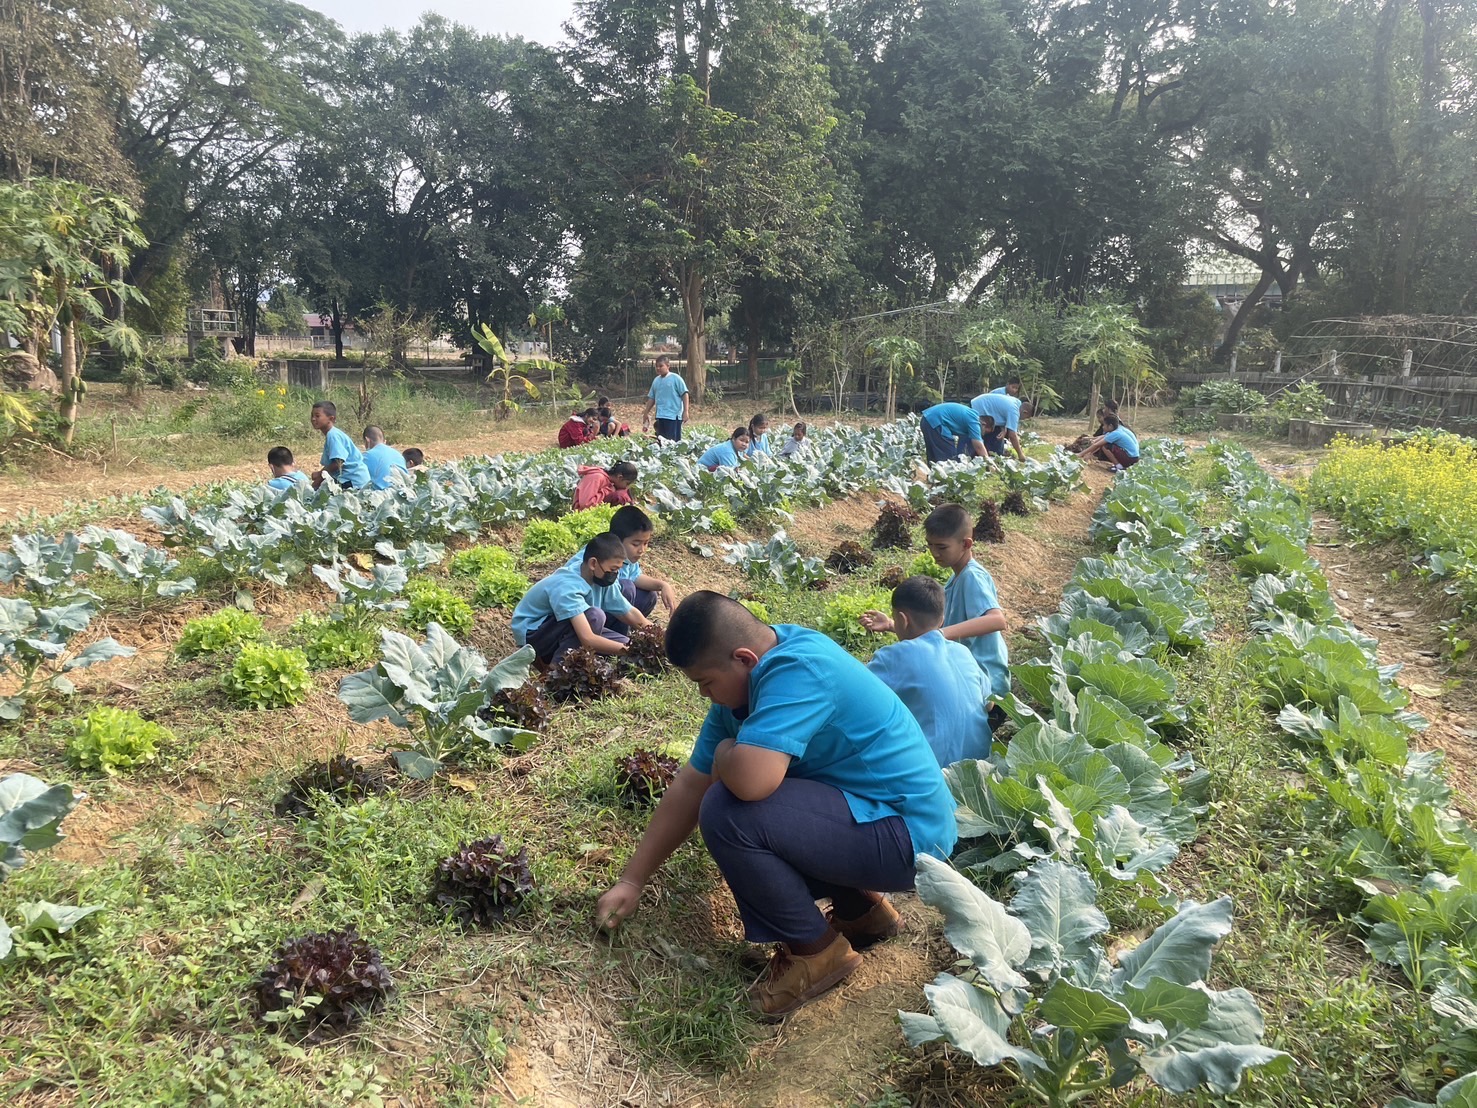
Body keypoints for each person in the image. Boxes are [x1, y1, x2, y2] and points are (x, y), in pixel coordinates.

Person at [594, 592, 957, 1019]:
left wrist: (726, 753)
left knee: (729, 810)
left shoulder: (797, 671)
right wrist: (632, 880)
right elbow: (691, 782)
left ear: (744, 659)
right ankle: (862, 912)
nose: (705, 695)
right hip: (883, 821)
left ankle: (815, 953)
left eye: (705, 682)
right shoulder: (747, 684)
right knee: (765, 792)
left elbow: (749, 783)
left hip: (911, 840)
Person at [861, 503, 1009, 709]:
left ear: (966, 544)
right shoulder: (956, 578)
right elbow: (931, 631)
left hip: (988, 687)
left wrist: (940, 635)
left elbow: (997, 620)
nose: (934, 553)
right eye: (929, 545)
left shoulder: (972, 577)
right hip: (969, 680)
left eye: (941, 547)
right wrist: (892, 625)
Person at [863, 576, 992, 766]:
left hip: (931, 772)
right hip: (980, 769)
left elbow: (855, 699)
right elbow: (989, 705)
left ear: (902, 619)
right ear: (942, 620)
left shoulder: (891, 658)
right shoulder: (963, 652)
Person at [511, 532, 652, 665]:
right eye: (613, 569)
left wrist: (657, 637)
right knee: (595, 616)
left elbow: (628, 613)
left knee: (625, 642)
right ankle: (557, 669)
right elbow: (588, 639)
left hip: (566, 626)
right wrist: (630, 651)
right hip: (534, 636)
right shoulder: (568, 586)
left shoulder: (600, 578)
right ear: (593, 563)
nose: (615, 575)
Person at [562, 504, 678, 617]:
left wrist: (663, 585)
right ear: (618, 540)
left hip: (609, 607)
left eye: (646, 543)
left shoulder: (626, 557)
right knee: (627, 587)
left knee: (649, 595)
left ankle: (630, 627)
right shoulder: (599, 556)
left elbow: (635, 576)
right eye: (635, 544)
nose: (641, 550)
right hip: (585, 612)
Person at [309, 400, 372, 490]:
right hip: (352, 479)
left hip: (353, 481)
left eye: (317, 416)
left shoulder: (333, 435)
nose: (313, 419)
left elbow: (338, 462)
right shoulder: (332, 434)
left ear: (331, 419)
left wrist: (320, 475)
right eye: (312, 416)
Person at [918, 402, 988, 463]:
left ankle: (932, 473)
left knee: (933, 456)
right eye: (986, 432)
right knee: (949, 458)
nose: (983, 434)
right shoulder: (974, 421)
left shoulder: (971, 415)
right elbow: (978, 446)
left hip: (926, 418)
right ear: (984, 424)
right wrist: (989, 463)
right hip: (936, 421)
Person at [641, 356, 690, 441]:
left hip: (673, 416)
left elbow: (685, 394)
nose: (658, 368)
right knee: (662, 441)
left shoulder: (676, 378)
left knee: (672, 442)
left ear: (668, 366)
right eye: (656, 366)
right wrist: (646, 412)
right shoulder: (656, 381)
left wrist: (686, 411)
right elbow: (652, 398)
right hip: (660, 415)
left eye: (661, 366)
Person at [969, 391, 1028, 462]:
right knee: (974, 437)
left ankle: (992, 459)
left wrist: (1004, 429)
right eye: (1026, 417)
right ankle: (971, 457)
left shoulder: (1016, 403)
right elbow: (1012, 435)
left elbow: (1001, 412)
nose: (1024, 419)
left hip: (987, 412)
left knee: (997, 440)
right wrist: (1020, 454)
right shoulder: (1014, 411)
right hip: (978, 408)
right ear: (1025, 412)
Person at [1075, 411, 1140, 471]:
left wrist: (1080, 454)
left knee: (1105, 446)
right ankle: (1120, 465)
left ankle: (1119, 467)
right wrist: (1090, 450)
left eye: (1104, 425)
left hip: (1130, 459)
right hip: (1135, 457)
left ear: (1110, 426)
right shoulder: (1119, 428)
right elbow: (1103, 437)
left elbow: (1097, 444)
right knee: (1104, 444)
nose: (1103, 427)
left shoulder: (1115, 433)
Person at [573, 460, 638, 510]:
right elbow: (585, 504)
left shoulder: (610, 481)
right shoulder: (597, 477)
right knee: (619, 496)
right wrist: (608, 490)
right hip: (581, 512)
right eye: (627, 483)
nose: (626, 487)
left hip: (595, 510)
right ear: (619, 477)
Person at [361, 425, 408, 490]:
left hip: (381, 494)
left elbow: (359, 478)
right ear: (384, 441)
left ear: (367, 440)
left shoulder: (367, 456)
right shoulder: (399, 456)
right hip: (401, 493)